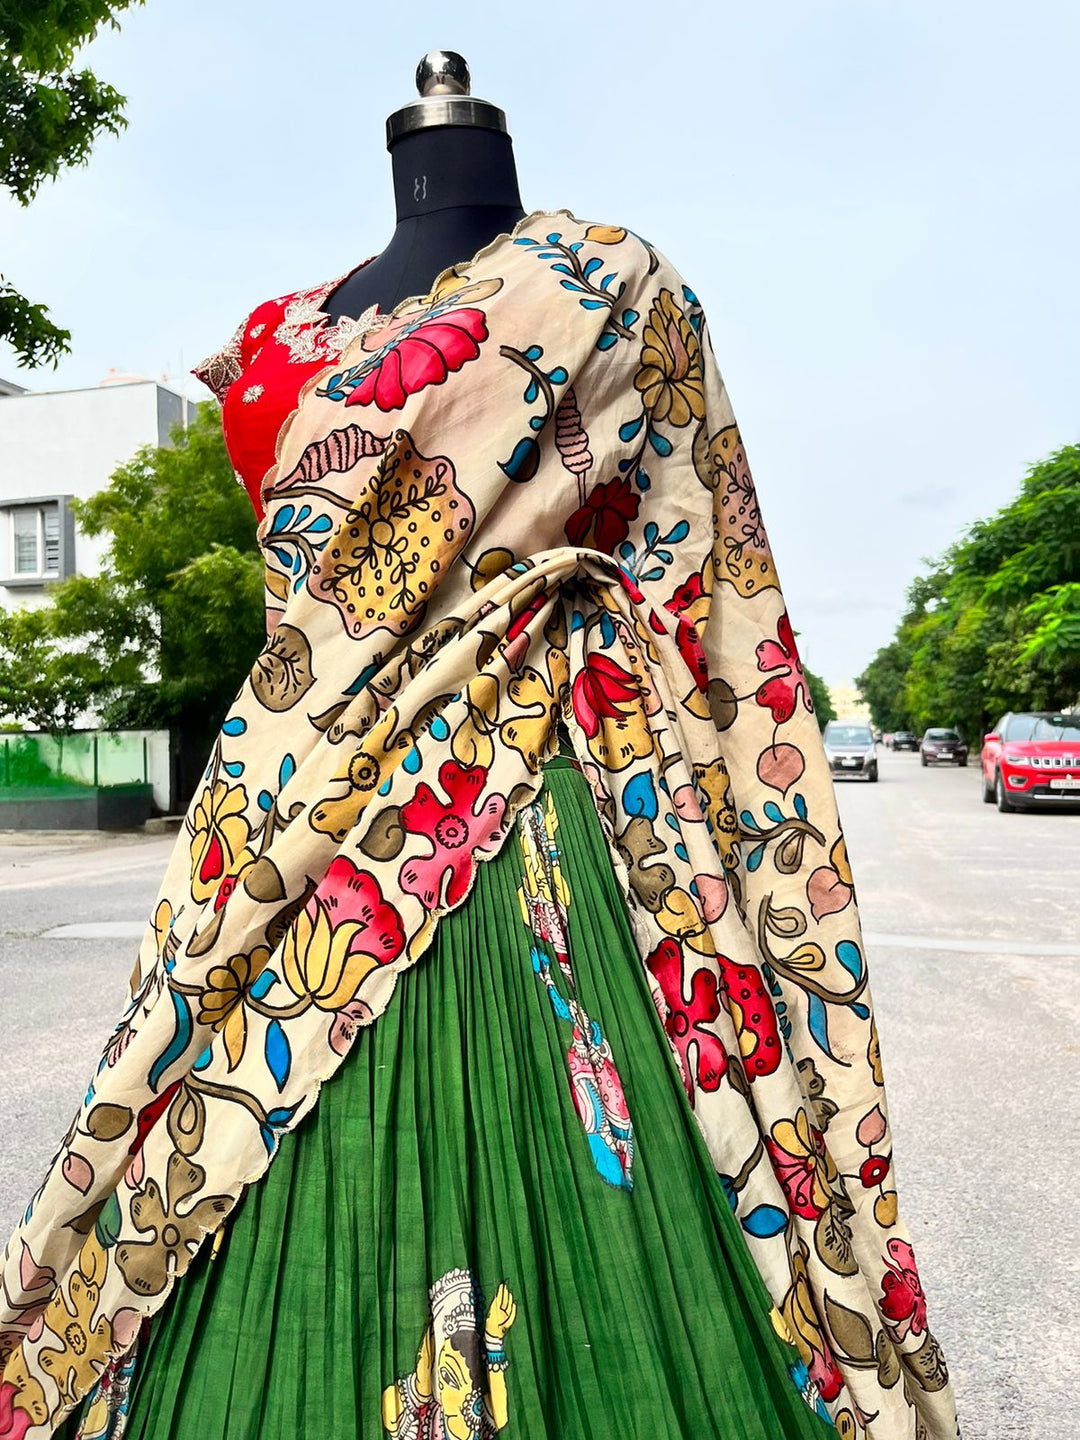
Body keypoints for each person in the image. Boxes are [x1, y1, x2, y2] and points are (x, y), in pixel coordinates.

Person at [0, 208, 959, 1440]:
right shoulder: (272, 336)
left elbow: (710, 575)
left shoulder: (618, 285)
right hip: (303, 821)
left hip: (580, 797)